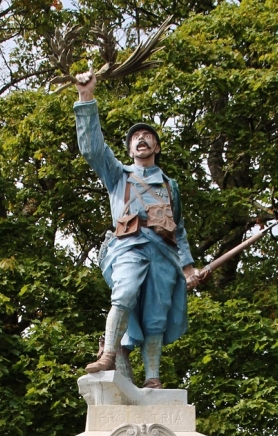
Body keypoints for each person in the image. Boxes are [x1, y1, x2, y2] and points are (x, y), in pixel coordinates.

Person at [74, 71, 204, 388]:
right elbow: (93, 150)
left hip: (163, 252)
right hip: (129, 244)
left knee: (156, 316)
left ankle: (153, 378)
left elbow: (180, 230)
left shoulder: (170, 186)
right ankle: (109, 356)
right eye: (135, 138)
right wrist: (86, 99)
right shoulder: (118, 175)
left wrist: (189, 269)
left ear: (156, 146)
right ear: (130, 149)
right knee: (125, 291)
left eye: (147, 136)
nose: (141, 139)